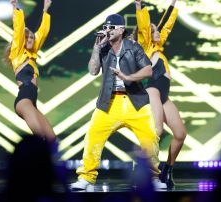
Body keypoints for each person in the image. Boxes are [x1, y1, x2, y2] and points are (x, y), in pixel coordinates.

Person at [70, 13, 167, 191]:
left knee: (150, 138)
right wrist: (96, 49)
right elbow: (93, 70)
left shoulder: (134, 47)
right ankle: (87, 178)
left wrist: (128, 77)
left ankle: (152, 178)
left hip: (135, 101)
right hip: (109, 102)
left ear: (121, 30)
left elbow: (147, 71)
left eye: (111, 28)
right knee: (93, 136)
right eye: (105, 27)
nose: (107, 30)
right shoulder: (103, 48)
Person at [133, 0, 186, 189]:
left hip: (164, 95)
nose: (156, 32)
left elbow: (166, 23)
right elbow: (144, 28)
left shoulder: (159, 46)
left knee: (180, 134)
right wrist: (139, 7)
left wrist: (175, 2)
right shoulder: (145, 47)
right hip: (152, 89)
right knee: (157, 131)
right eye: (152, 30)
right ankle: (143, 172)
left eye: (157, 31)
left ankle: (167, 170)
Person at [3, 0, 56, 143]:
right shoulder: (17, 54)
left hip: (32, 103)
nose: (31, 39)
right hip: (24, 101)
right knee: (40, 139)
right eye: (28, 38)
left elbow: (43, 32)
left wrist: (45, 9)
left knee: (51, 138)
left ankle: (48, 164)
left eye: (32, 37)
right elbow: (19, 30)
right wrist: (15, 8)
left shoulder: (32, 56)